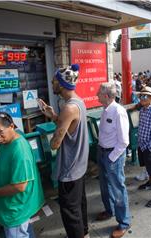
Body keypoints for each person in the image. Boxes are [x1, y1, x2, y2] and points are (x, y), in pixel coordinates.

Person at [0, 112, 44, 238]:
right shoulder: (7, 142)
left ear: (11, 126)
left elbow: (19, 187)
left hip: (15, 208)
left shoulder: (19, 150)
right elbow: (7, 167)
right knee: (25, 231)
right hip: (12, 206)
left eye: (0, 131)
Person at [38, 64, 89, 238]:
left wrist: (54, 134)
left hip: (70, 169)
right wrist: (53, 116)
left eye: (53, 81)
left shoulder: (68, 107)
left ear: (61, 84)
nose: (52, 84)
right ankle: (84, 233)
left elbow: (55, 143)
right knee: (79, 204)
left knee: (70, 212)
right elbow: (70, 128)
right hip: (79, 166)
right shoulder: (78, 102)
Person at [95, 82, 131, 238]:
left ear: (107, 96)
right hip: (102, 152)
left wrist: (111, 158)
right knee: (104, 186)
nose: (97, 95)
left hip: (112, 156)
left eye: (99, 94)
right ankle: (109, 210)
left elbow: (124, 141)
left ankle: (124, 222)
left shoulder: (118, 111)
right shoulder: (105, 109)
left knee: (117, 189)